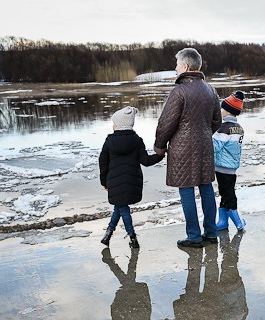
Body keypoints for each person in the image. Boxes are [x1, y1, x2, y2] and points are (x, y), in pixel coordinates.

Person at [154, 48, 222, 249]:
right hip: (205, 146)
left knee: (186, 190)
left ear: (185, 66)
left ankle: (194, 236)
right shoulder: (210, 89)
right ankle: (210, 233)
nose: (175, 68)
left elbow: (166, 123)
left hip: (183, 149)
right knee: (206, 187)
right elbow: (217, 121)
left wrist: (159, 146)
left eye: (177, 64)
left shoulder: (179, 91)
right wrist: (202, 134)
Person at [99, 106, 163, 248]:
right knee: (120, 206)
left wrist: (104, 181)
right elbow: (145, 161)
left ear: (119, 124)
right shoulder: (137, 140)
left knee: (122, 207)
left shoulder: (109, 142)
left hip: (114, 181)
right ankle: (108, 234)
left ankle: (132, 237)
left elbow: (103, 163)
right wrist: (160, 155)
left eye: (114, 123)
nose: (113, 125)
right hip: (132, 181)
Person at [213, 90, 246, 231]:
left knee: (228, 194)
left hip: (222, 167)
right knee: (226, 193)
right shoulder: (239, 128)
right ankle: (223, 222)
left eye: (222, 108)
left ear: (227, 111)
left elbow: (215, 147)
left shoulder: (223, 128)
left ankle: (238, 222)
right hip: (232, 167)